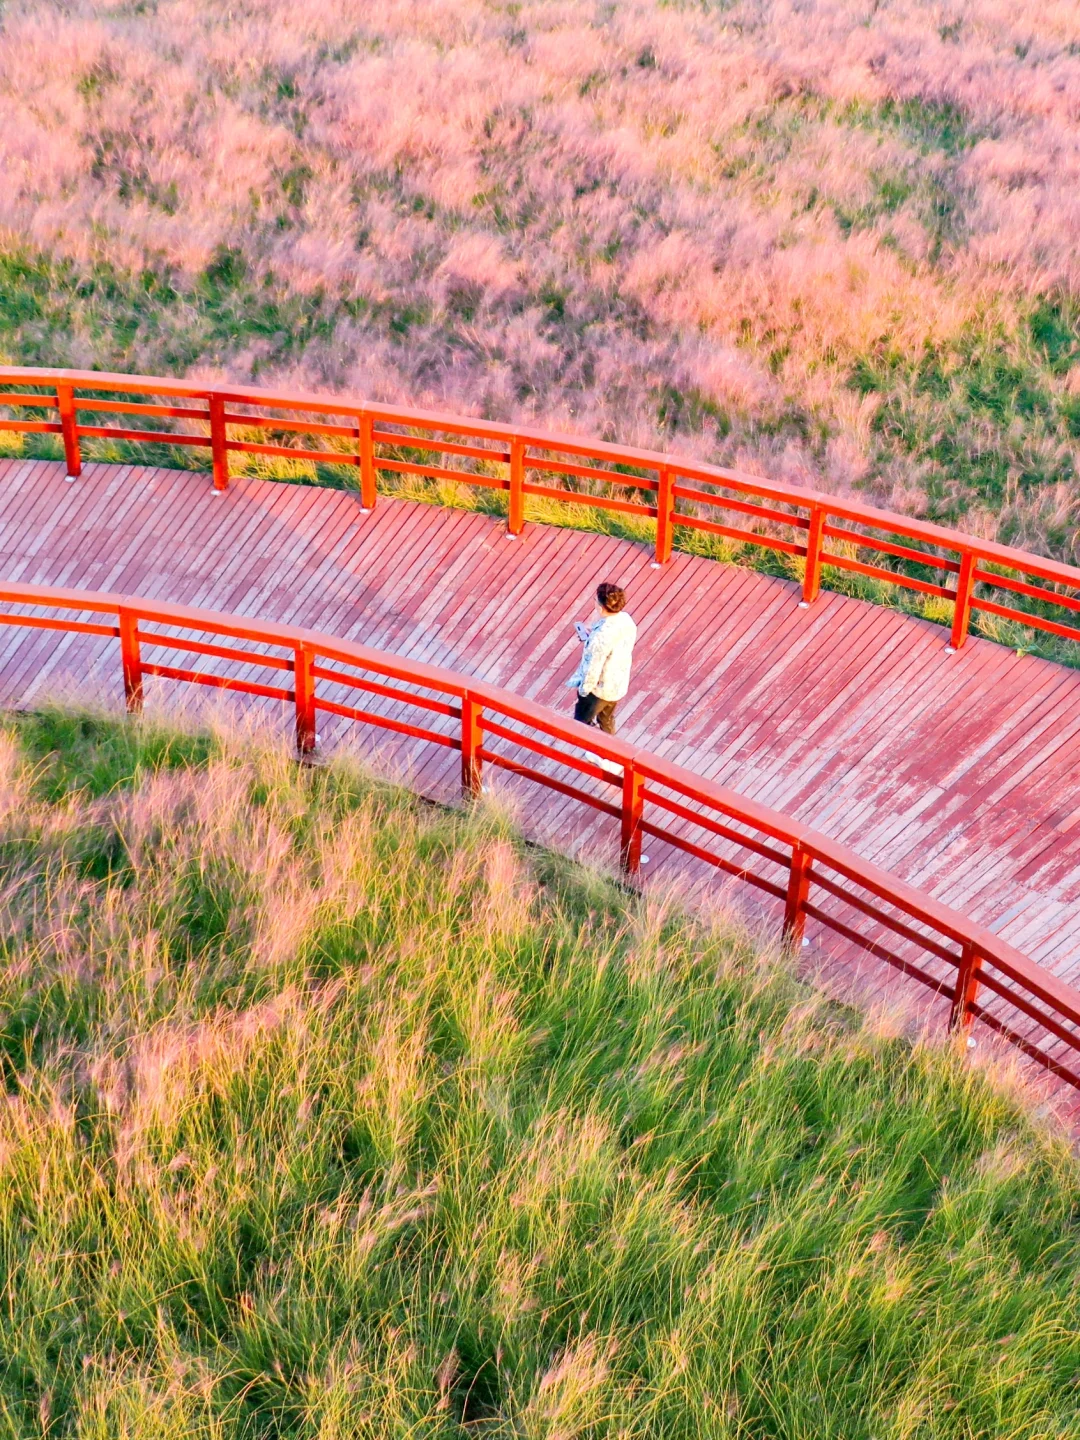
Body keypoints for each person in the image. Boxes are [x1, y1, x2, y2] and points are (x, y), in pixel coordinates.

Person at [567, 582, 637, 736]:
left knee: (581, 721)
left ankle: (591, 747)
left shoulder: (601, 636)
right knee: (606, 719)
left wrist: (584, 690)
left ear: (601, 606)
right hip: (617, 683)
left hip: (598, 690)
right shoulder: (626, 620)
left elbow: (593, 667)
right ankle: (610, 753)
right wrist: (593, 635)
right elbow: (614, 642)